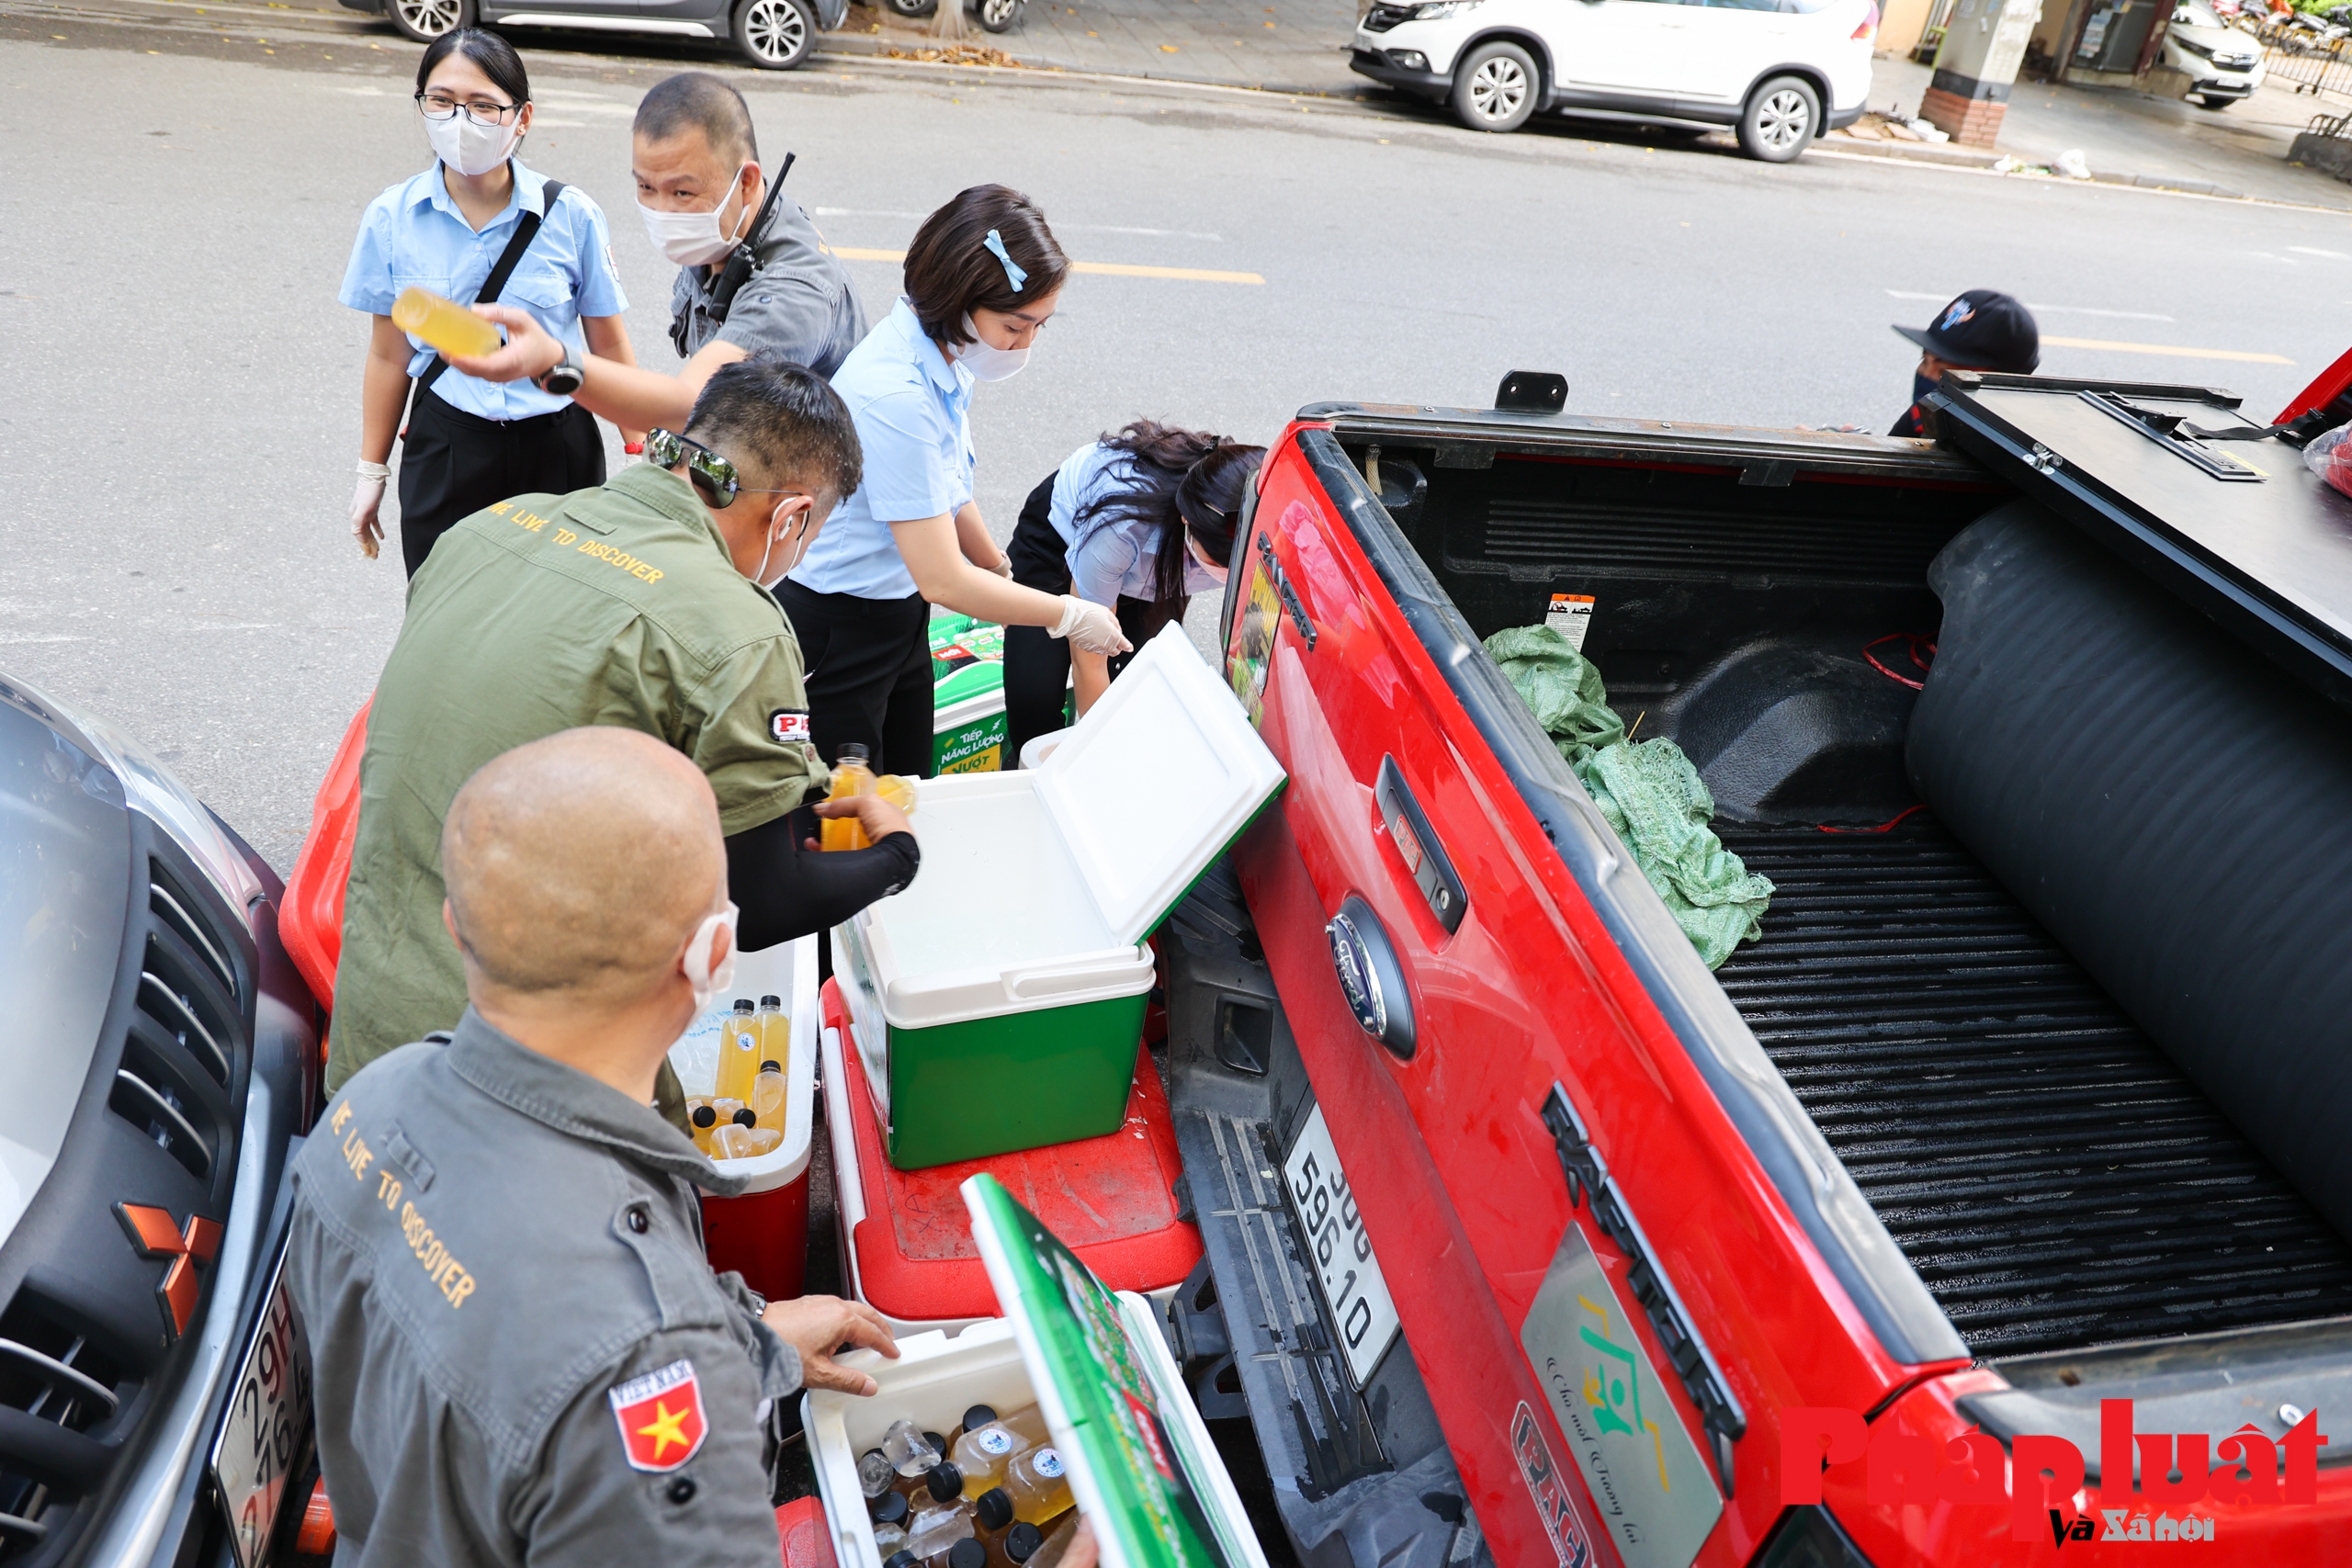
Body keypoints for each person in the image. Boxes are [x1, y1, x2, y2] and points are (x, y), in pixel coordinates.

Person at [288, 726, 901, 1568]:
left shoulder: (363, 1108)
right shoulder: (648, 1365)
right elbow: (594, 1373)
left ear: (456, 928)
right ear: (714, 956)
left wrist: (748, 1338)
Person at [329, 360, 918, 1108]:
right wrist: (899, 855)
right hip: (532, 1092)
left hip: (369, 1047)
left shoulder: (489, 526)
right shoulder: (737, 629)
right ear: (792, 517)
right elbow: (767, 902)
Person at [776, 185, 1130, 775]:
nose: (1026, 345)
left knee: (910, 784)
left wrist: (997, 568)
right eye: (1017, 326)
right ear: (961, 300)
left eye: (1040, 326)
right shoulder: (897, 395)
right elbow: (941, 577)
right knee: (848, 814)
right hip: (843, 624)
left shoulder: (944, 354)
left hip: (897, 608)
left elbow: (943, 484)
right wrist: (1064, 613)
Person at [343, 28, 639, 577]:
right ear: (423, 106)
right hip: (448, 445)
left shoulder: (571, 215)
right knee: (444, 624)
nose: (461, 121)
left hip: (558, 449)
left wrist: (641, 445)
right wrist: (372, 472)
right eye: (442, 101)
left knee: (561, 628)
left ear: (521, 118)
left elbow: (607, 337)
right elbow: (389, 356)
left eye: (483, 105)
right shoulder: (391, 217)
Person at [445, 72, 866, 437]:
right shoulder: (724, 230)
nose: (663, 210)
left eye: (682, 192)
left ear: (747, 182)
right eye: (646, 187)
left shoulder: (793, 291)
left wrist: (554, 362)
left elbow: (690, 405)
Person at [1002, 423, 1264, 762]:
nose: (1230, 575)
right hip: (1062, 544)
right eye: (1221, 563)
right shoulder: (1121, 525)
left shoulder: (1267, 526)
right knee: (1034, 703)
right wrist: (1103, 762)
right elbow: (1089, 662)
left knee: (1138, 689)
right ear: (1188, 523)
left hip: (1159, 563)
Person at [1889, 289, 2040, 438]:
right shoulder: (1924, 416)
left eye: (1943, 372)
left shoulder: (2018, 447)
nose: (1927, 375)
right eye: (1924, 361)